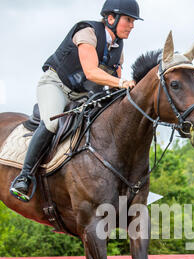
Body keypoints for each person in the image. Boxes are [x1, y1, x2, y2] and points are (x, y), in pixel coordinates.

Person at [10, 0, 142, 202]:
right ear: (110, 18)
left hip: (81, 95)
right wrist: (123, 82)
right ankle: (24, 176)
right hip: (56, 85)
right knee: (52, 123)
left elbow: (115, 83)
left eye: (133, 21)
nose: (132, 26)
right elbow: (91, 72)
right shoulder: (87, 32)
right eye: (129, 20)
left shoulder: (118, 48)